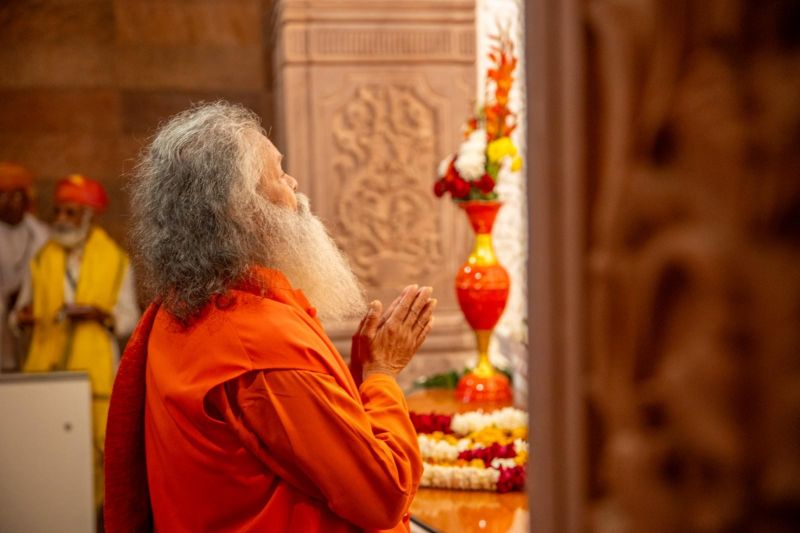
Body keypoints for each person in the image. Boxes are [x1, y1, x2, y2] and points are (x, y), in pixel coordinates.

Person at [104, 102, 435, 533]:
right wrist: (382, 374)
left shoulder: (183, 308)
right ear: (241, 209)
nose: (294, 184)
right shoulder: (258, 343)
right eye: (279, 173)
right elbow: (383, 494)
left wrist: (358, 377)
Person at [13, 173, 141, 510]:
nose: (61, 219)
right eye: (58, 211)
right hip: (47, 373)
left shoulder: (116, 260)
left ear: (88, 216)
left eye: (70, 212)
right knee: (49, 449)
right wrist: (21, 319)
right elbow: (20, 312)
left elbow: (129, 318)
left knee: (97, 448)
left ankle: (95, 515)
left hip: (95, 372)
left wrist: (101, 316)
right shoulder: (41, 259)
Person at [0, 163, 49, 372]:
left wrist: (24, 297)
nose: (8, 202)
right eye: (2, 195)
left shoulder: (42, 235)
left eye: (15, 196)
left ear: (27, 200)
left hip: (29, 319)